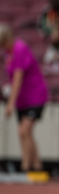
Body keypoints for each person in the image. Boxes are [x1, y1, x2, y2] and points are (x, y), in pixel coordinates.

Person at [0, 23, 47, 172]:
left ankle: (25, 166)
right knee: (27, 133)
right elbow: (12, 77)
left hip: (35, 96)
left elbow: (18, 78)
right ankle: (37, 165)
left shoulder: (19, 49)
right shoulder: (8, 53)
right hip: (23, 100)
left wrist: (10, 104)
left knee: (23, 130)